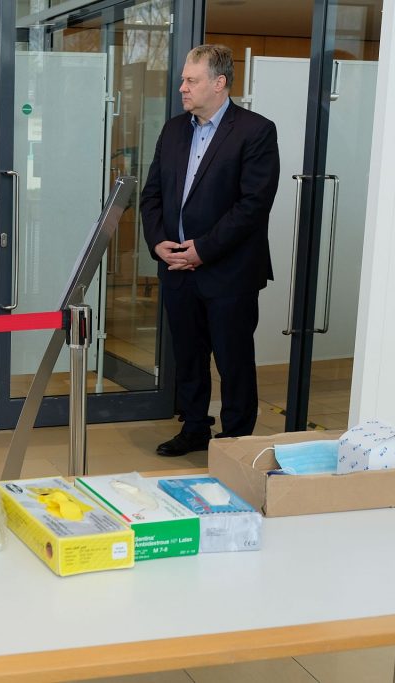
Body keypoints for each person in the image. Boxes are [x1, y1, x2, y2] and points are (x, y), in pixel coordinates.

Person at [140, 44, 280, 456]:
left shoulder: (256, 131)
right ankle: (195, 428)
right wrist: (158, 242)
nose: (182, 87)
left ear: (219, 84)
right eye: (183, 79)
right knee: (188, 355)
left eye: (191, 80)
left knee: (233, 360)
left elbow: (253, 205)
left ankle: (236, 440)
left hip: (229, 272)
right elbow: (152, 195)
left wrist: (203, 249)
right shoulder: (173, 130)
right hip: (177, 268)